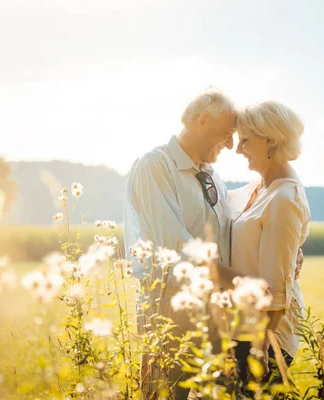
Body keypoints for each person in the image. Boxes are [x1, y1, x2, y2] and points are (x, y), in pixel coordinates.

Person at [123, 88, 240, 399]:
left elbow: (237, 224)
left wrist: (291, 242)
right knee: (167, 394)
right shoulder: (155, 166)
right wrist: (238, 280)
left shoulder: (213, 177)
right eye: (228, 133)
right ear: (203, 121)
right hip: (168, 306)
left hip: (213, 309)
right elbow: (174, 245)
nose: (231, 144)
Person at [228, 100, 310, 396]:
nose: (238, 149)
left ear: (271, 141)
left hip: (266, 337)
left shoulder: (285, 199)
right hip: (243, 330)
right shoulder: (257, 187)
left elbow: (277, 291)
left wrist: (259, 354)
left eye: (245, 140)